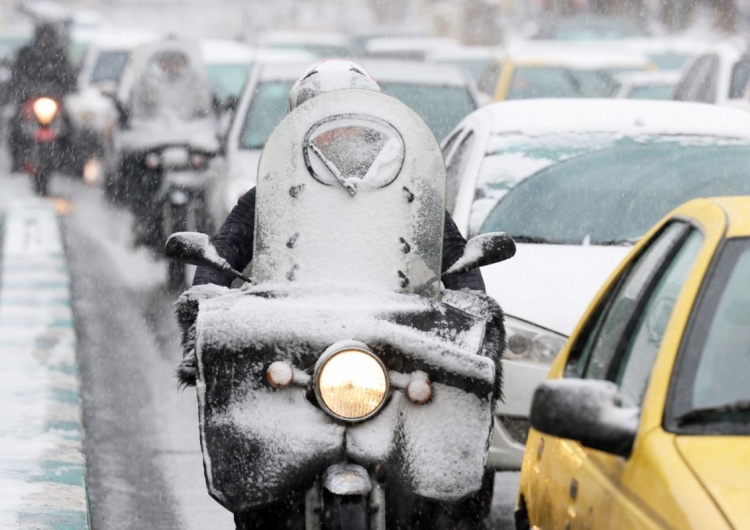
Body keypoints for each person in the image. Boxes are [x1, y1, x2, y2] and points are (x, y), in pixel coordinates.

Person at [193, 59, 485, 292]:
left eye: (349, 120)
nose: (339, 133)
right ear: (298, 125)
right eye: (323, 123)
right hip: (290, 324)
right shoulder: (277, 191)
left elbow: (454, 255)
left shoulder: (407, 189)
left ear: (371, 122)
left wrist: (472, 297)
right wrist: (206, 291)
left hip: (395, 324)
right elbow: (226, 247)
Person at [8, 23, 76, 171]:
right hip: (30, 100)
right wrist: (23, 90)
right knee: (15, 124)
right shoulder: (26, 54)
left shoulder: (59, 56)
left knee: (70, 126)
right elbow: (17, 76)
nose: (45, 39)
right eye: (42, 36)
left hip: (54, 100)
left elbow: (69, 78)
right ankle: (16, 158)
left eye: (48, 36)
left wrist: (65, 89)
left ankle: (70, 160)